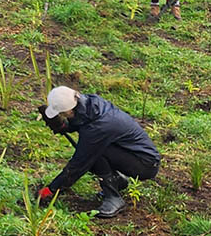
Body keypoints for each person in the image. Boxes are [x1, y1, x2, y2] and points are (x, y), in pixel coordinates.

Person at [36, 85, 160, 218]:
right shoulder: (91, 102)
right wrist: (64, 127)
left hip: (145, 164)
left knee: (93, 155)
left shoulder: (98, 129)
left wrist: (52, 189)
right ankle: (117, 180)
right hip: (131, 152)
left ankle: (113, 197)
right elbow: (81, 121)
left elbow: (78, 164)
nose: (62, 116)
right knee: (94, 149)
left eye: (62, 114)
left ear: (69, 110)